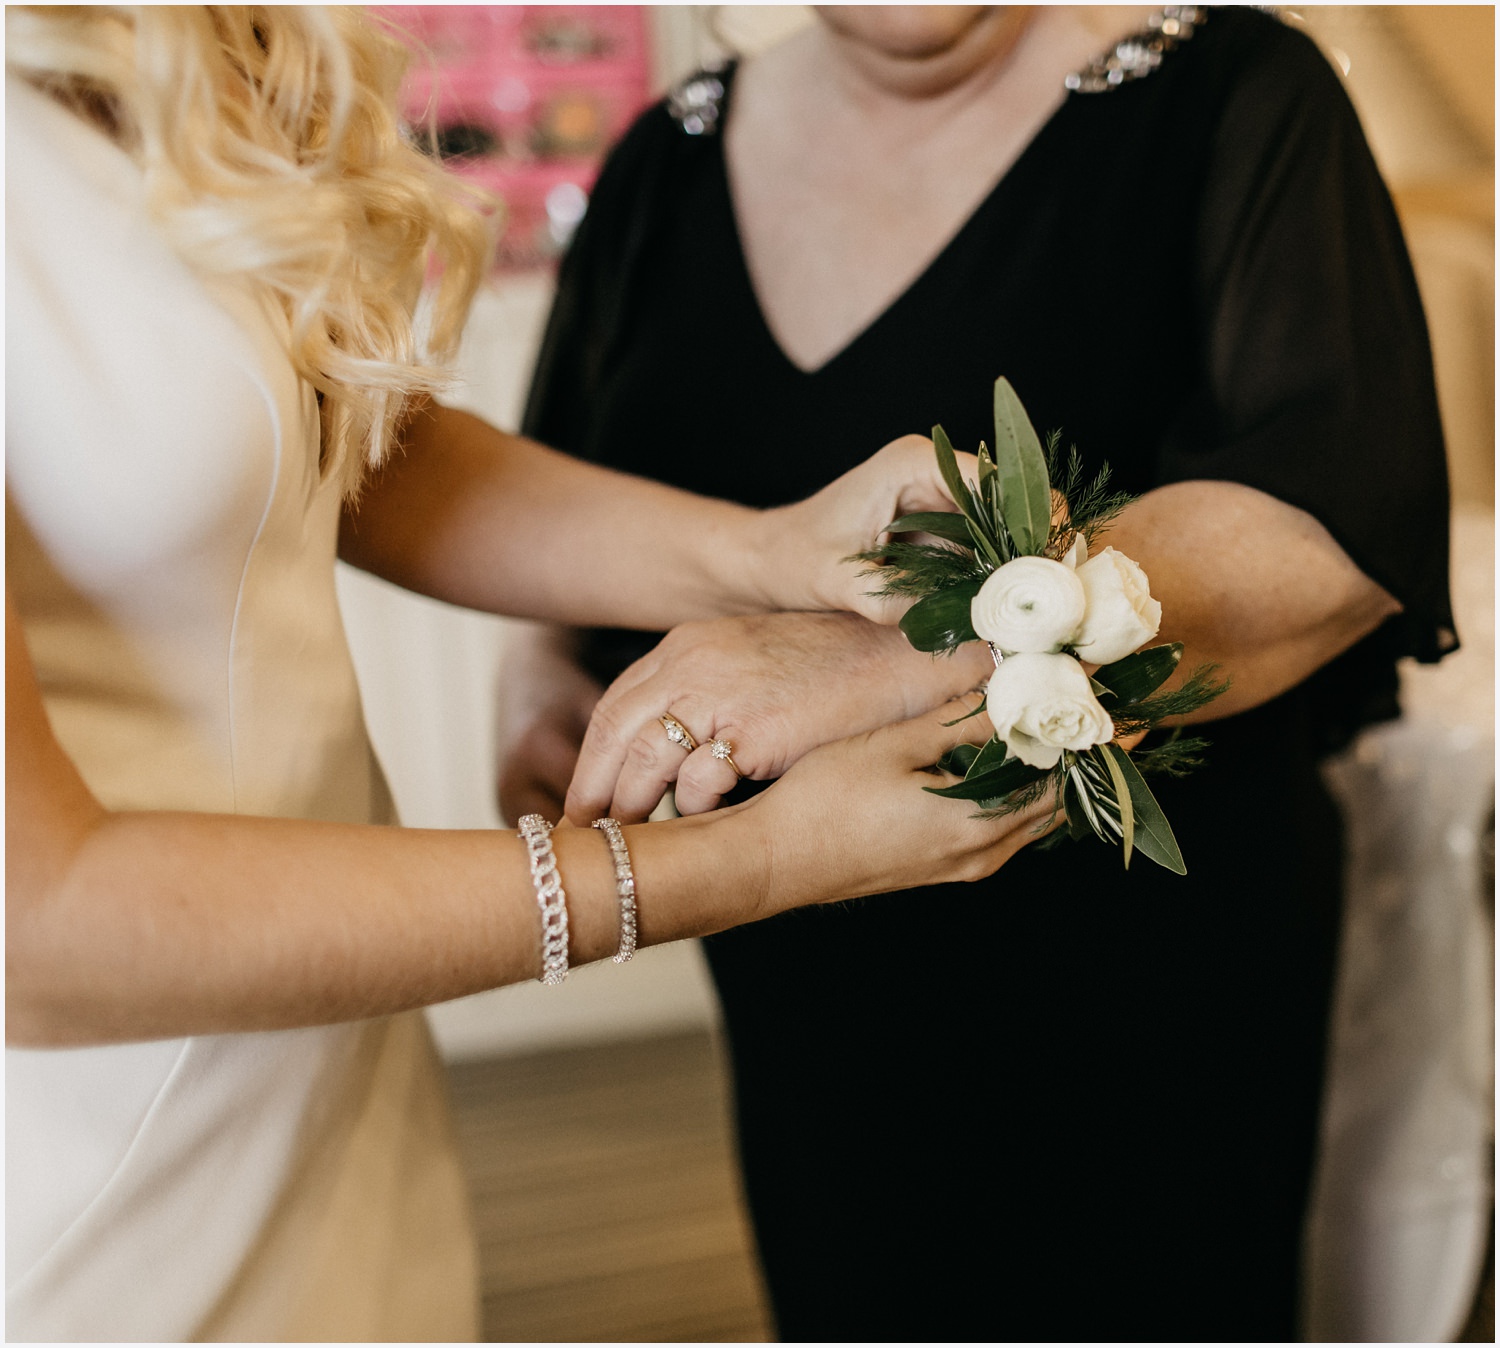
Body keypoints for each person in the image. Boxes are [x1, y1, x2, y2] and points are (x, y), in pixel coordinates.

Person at [3, 7, 1046, 1341]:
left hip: (321, 1068)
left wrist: (768, 552)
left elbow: (322, 421)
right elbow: (34, 924)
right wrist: (766, 862)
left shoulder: (168, 30)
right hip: (81, 1161)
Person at [501, 5, 1456, 1340]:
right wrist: (537, 669)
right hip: (809, 982)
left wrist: (879, 660)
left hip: (1152, 985)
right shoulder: (669, 157)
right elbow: (567, 482)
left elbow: (1334, 518)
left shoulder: (1233, 94)